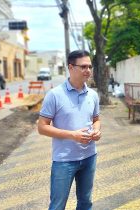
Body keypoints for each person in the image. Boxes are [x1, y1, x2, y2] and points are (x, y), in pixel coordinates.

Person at [38, 50, 101, 210]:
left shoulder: (92, 95)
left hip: (89, 157)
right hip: (64, 160)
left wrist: (96, 131)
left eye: (90, 66)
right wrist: (72, 135)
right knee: (58, 205)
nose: (88, 70)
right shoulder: (54, 95)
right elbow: (42, 127)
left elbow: (96, 120)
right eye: (83, 67)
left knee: (85, 202)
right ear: (71, 67)